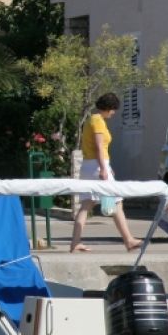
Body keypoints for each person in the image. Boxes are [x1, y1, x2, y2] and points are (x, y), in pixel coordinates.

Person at [69, 92, 141, 253]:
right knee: (116, 202)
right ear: (109, 108)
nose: (114, 113)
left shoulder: (91, 120)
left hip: (88, 165)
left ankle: (75, 242)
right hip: (96, 166)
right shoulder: (99, 122)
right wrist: (103, 168)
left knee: (86, 205)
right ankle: (128, 240)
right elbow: (100, 147)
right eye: (113, 109)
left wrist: (107, 166)